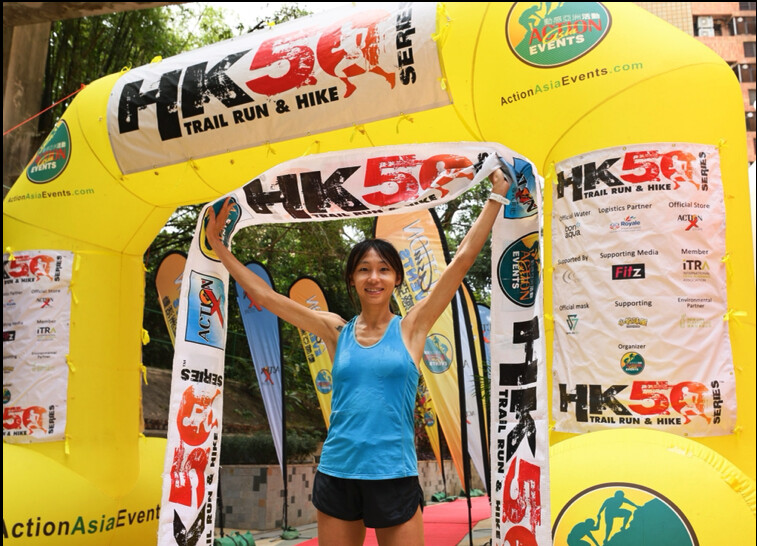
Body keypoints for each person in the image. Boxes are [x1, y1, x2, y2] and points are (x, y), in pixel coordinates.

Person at [205, 166, 510, 546]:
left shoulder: (412, 328)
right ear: (352, 278)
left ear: (396, 278)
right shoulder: (336, 331)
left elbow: (461, 261)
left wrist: (496, 196)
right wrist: (219, 246)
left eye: (383, 269)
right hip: (338, 473)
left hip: (394, 475)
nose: (374, 278)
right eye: (364, 269)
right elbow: (267, 297)